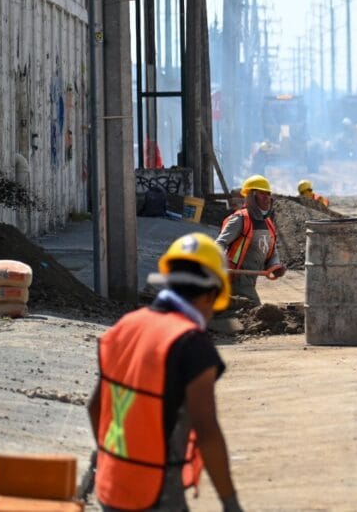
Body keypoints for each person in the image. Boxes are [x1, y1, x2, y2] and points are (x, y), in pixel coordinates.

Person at [87, 233, 243, 512]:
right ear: (211, 295)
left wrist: (108, 458)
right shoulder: (191, 345)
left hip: (112, 488)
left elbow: (95, 406)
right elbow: (207, 432)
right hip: (157, 493)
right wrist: (230, 503)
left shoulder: (124, 327)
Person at [215, 175, 286, 305]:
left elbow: (272, 250)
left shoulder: (267, 223)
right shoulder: (240, 219)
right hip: (236, 279)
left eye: (268, 194)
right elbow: (220, 243)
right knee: (255, 309)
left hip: (251, 280)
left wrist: (275, 266)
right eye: (262, 194)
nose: (267, 198)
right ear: (251, 197)